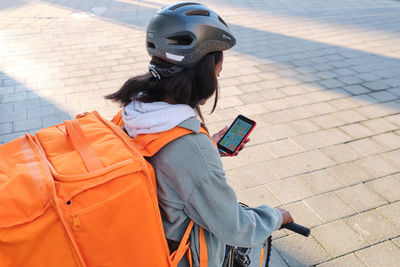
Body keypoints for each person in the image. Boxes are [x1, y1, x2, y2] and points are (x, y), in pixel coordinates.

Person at [105, 2, 293, 266]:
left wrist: (209, 148)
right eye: (217, 74)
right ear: (203, 74)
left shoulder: (135, 111)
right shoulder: (189, 148)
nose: (216, 82)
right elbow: (235, 227)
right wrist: (276, 216)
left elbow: (164, 164)